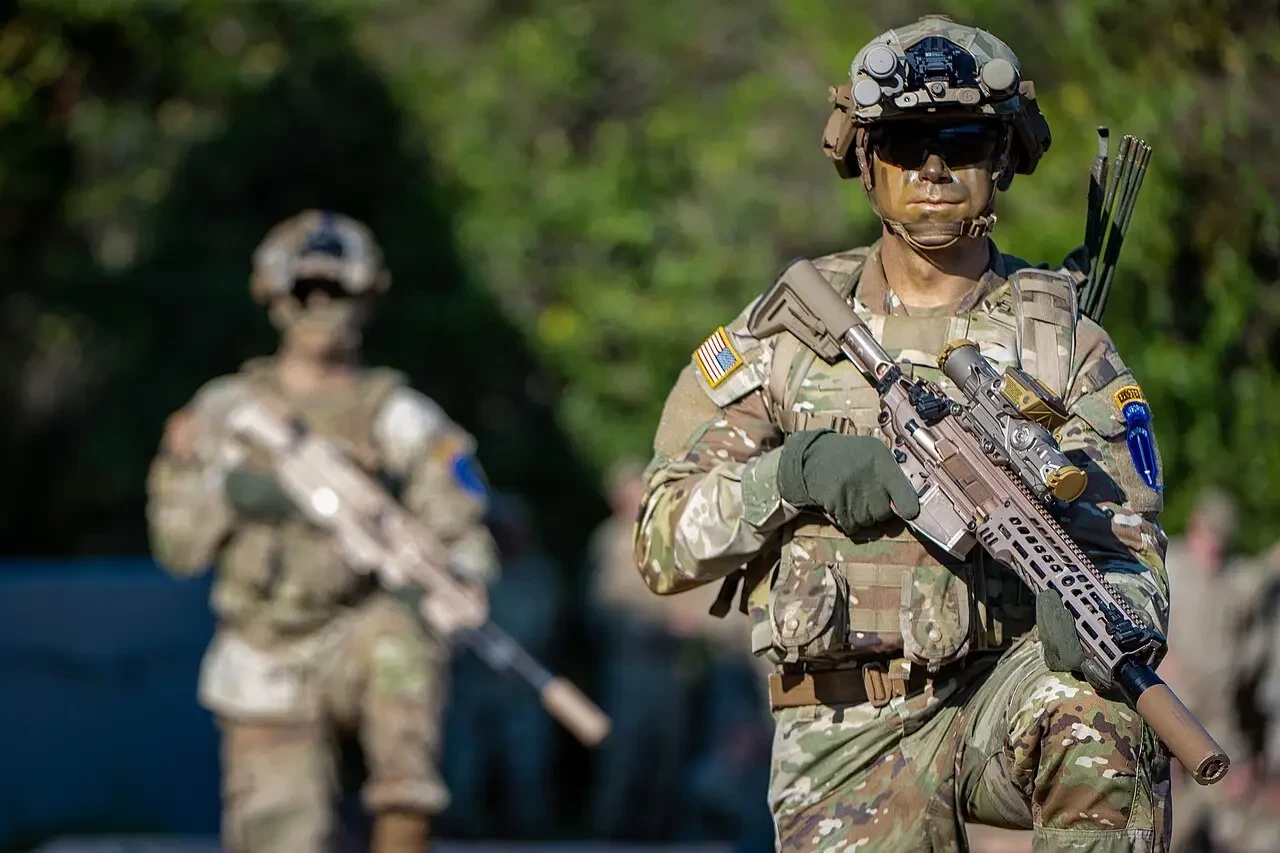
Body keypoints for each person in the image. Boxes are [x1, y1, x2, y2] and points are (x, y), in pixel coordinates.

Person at [634, 16, 1172, 852]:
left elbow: (1132, 547)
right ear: (863, 159)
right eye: (904, 142)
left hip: (1006, 690)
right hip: (843, 722)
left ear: (1002, 158)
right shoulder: (785, 335)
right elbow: (661, 543)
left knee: (1109, 719)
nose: (933, 167)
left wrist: (1115, 613)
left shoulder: (1061, 343)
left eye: (962, 140)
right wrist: (788, 475)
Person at [146, 210, 499, 853]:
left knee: (401, 648)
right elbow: (178, 549)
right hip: (265, 646)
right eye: (306, 292)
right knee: (279, 832)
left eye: (338, 292)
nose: (322, 310)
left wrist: (446, 583)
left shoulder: (400, 419)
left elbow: (463, 533)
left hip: (360, 631)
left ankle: (402, 821)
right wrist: (242, 492)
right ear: (275, 298)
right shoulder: (227, 413)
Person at [442, 492, 562, 838]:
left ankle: (529, 833)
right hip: (471, 685)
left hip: (521, 687)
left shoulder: (539, 575)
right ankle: (460, 832)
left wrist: (519, 645)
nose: (506, 536)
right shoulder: (470, 570)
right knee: (463, 767)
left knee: (527, 767)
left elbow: (548, 623)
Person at [1163, 490, 1247, 851]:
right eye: (1211, 535)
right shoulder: (1171, 564)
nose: (1215, 547)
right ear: (1196, 525)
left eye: (1221, 539)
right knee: (1170, 798)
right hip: (1174, 699)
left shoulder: (1230, 579)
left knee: (1225, 801)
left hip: (1217, 709)